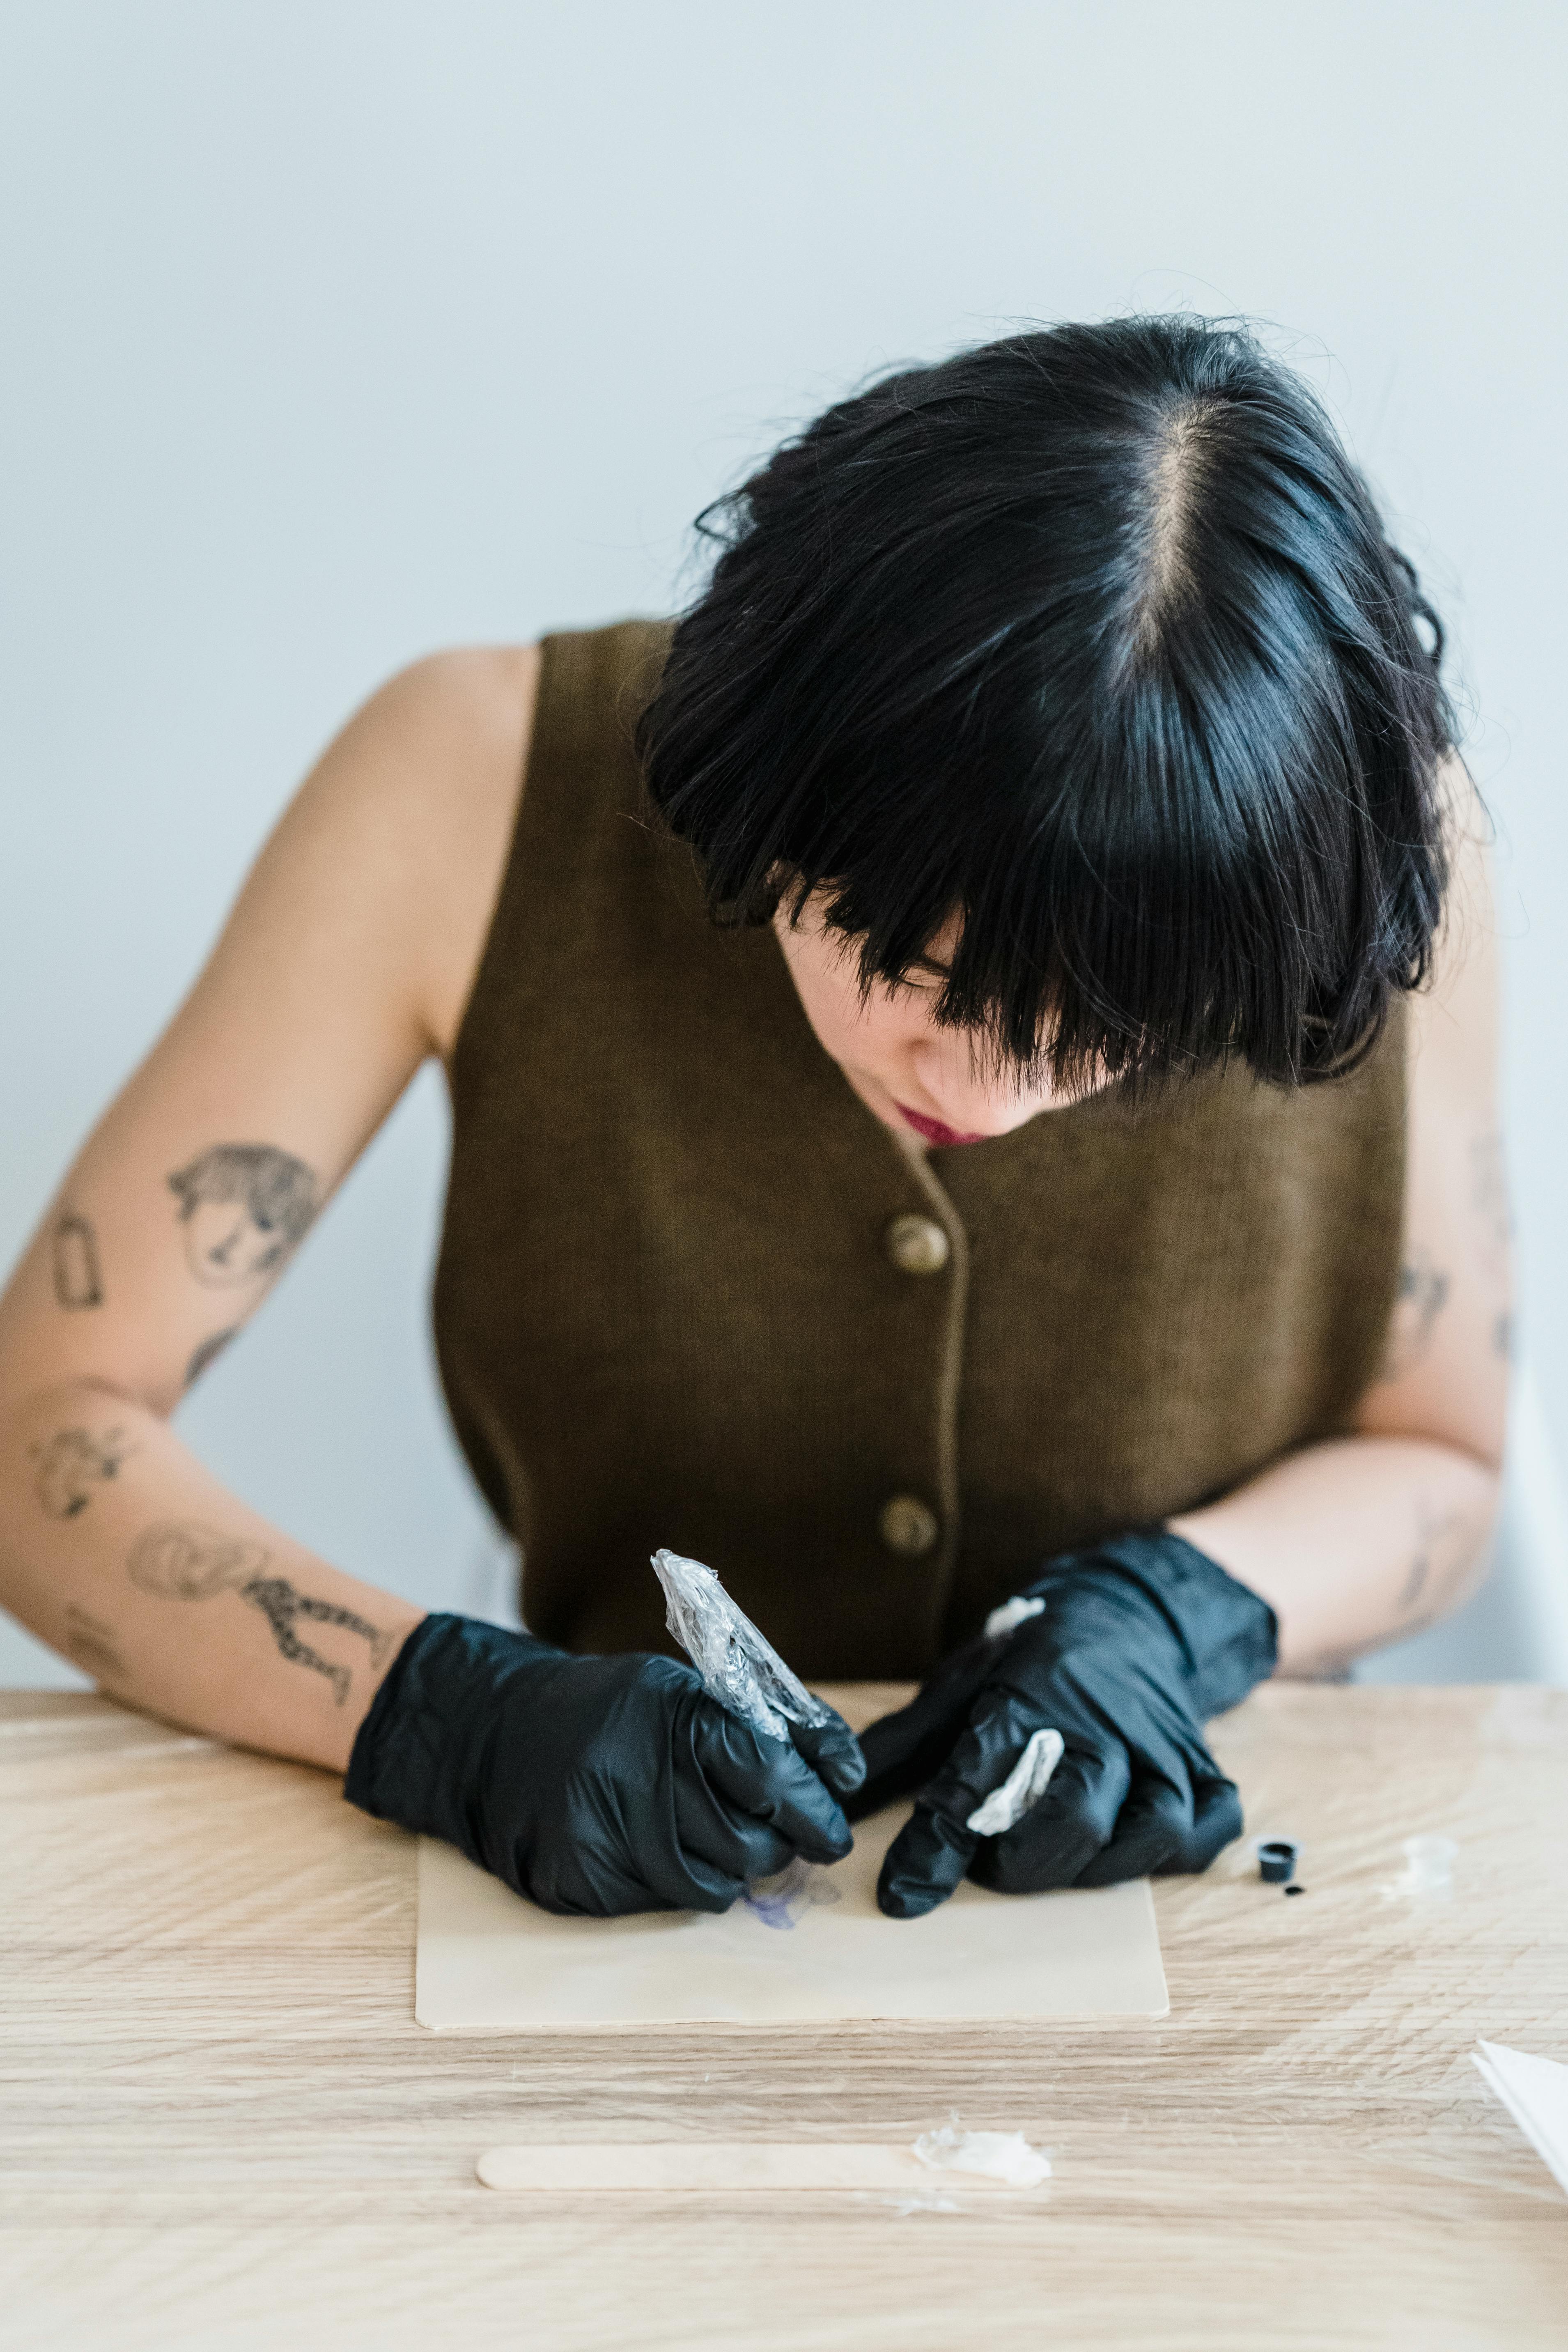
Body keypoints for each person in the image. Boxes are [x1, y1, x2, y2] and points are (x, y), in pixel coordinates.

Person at [0, 317, 1508, 1921]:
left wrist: (1184, 1609)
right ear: (770, 777)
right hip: (597, 1900)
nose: (986, 1094)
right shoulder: (472, 784)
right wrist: (432, 1713)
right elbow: (47, 1415)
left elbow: (1441, 1458)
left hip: (1201, 1902)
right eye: (913, 971)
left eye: (1117, 1039)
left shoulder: (1362, 865)